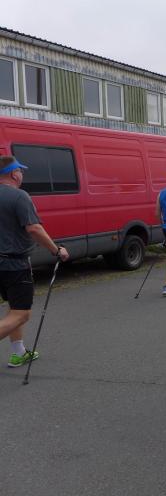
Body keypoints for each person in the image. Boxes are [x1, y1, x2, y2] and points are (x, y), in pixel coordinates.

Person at [0, 156, 69, 368]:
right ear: (13, 173)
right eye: (20, 171)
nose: (22, 174)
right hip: (14, 264)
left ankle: (19, 352)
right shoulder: (19, 196)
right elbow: (34, 228)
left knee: (14, 308)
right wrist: (56, 250)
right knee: (22, 313)